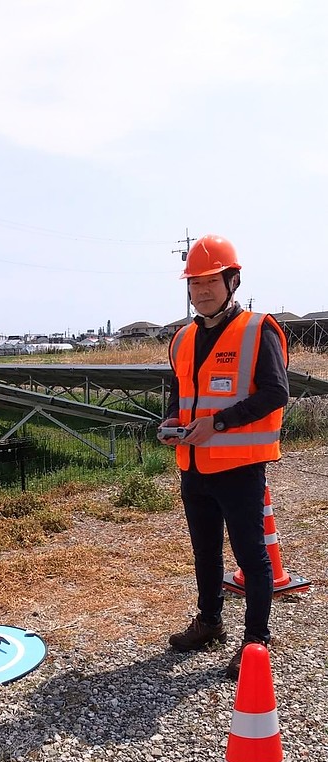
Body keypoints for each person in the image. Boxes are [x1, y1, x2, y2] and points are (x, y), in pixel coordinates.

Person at [159, 234, 289, 679]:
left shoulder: (258, 330)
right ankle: (210, 622)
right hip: (193, 467)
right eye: (195, 283)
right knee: (205, 552)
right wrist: (171, 423)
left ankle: (255, 641)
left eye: (211, 281)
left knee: (252, 557)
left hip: (239, 468)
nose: (202, 291)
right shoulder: (181, 339)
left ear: (232, 281)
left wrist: (218, 424)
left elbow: (276, 392)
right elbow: (180, 395)